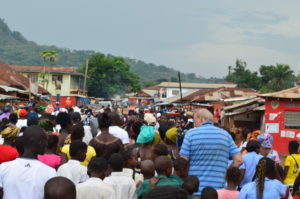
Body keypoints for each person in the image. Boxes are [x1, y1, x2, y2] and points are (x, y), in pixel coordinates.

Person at [180, 109, 242, 194]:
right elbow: (239, 160)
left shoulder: (191, 134)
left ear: (200, 118)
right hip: (218, 192)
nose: (194, 124)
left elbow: (183, 162)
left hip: (194, 190)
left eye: (194, 121)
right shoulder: (225, 135)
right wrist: (225, 174)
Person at [0, 125, 57, 199]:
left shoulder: (3, 168)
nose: (47, 144)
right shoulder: (50, 172)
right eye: (46, 140)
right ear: (40, 142)